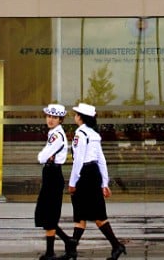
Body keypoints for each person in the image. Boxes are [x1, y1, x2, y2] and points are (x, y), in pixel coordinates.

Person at [63, 102, 126, 260]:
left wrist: (72, 181)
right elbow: (101, 160)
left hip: (84, 176)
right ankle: (72, 250)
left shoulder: (81, 134)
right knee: (82, 215)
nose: (75, 117)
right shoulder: (94, 135)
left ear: (81, 118)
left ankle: (116, 245)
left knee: (94, 216)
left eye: (77, 115)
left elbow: (78, 161)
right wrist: (104, 182)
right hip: (94, 174)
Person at [36, 103, 74, 260]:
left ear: (60, 119)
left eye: (54, 117)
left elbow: (41, 157)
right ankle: (66, 242)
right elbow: (44, 156)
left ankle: (53, 251)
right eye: (49, 116)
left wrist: (45, 156)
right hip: (50, 173)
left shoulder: (57, 136)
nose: (50, 120)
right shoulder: (53, 134)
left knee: (49, 215)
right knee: (45, 214)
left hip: (53, 174)